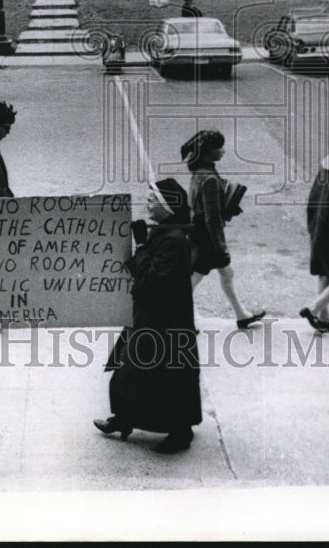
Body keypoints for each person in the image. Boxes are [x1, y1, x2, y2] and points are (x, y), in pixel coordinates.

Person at [94, 178, 202, 454]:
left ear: (168, 207)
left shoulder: (173, 240)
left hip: (165, 324)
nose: (147, 203)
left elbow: (152, 280)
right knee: (129, 373)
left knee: (165, 379)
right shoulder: (166, 233)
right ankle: (125, 418)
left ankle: (181, 432)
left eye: (153, 200)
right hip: (150, 318)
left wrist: (141, 246)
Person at [182, 129, 265, 330]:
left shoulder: (199, 173)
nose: (223, 151)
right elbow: (212, 218)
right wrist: (220, 245)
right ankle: (182, 320)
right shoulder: (209, 178)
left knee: (226, 273)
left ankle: (241, 314)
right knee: (194, 280)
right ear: (210, 151)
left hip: (199, 233)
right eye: (219, 147)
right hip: (207, 238)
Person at [300, 128, 329, 333]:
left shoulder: (325, 169)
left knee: (324, 273)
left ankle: (323, 319)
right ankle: (314, 309)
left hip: (317, 228)